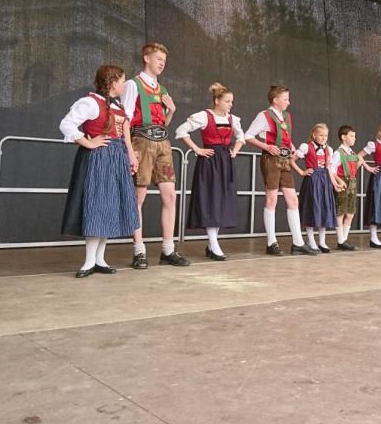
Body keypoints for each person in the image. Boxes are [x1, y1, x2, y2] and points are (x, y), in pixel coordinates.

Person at [60, 65, 140, 278]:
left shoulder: (118, 105)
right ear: (113, 83)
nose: (125, 85)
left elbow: (124, 134)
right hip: (99, 159)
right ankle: (89, 261)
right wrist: (88, 142)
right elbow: (67, 124)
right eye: (122, 81)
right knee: (97, 207)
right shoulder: (91, 103)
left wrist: (130, 155)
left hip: (117, 158)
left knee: (110, 207)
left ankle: (99, 259)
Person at [122, 41, 189, 268]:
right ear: (146, 58)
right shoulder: (133, 85)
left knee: (170, 196)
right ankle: (139, 251)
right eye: (159, 59)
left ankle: (168, 250)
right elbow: (125, 120)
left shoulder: (163, 90)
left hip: (163, 143)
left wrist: (172, 111)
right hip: (141, 141)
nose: (162, 64)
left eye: (164, 61)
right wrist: (129, 151)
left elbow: (163, 125)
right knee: (138, 197)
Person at [175, 82, 245, 261]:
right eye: (227, 101)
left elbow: (241, 137)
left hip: (225, 161)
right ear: (217, 101)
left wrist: (235, 151)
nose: (230, 104)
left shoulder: (233, 119)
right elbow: (181, 131)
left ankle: (211, 244)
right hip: (209, 161)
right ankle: (214, 245)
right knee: (211, 200)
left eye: (232, 101)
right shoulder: (204, 116)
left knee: (221, 201)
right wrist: (197, 149)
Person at [244, 85, 316, 256]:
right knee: (272, 200)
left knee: (293, 200)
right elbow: (248, 136)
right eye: (285, 99)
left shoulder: (286, 116)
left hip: (285, 161)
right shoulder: (264, 115)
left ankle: (298, 242)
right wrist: (267, 147)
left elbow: (286, 137)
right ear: (275, 100)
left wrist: (291, 146)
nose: (288, 102)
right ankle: (271, 242)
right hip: (270, 160)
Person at [294, 124, 347, 254]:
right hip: (312, 181)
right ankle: (311, 241)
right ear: (314, 135)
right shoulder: (306, 147)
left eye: (326, 136)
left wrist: (335, 184)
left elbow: (329, 169)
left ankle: (322, 242)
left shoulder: (329, 149)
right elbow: (291, 160)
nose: (324, 138)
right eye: (321, 135)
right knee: (312, 209)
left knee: (324, 210)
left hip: (325, 181)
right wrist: (302, 172)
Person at [333, 125, 363, 251]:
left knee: (350, 213)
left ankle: (344, 240)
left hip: (352, 183)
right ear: (343, 137)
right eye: (351, 136)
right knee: (341, 212)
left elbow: (353, 169)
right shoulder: (338, 153)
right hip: (343, 183)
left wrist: (359, 164)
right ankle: (341, 240)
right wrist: (339, 181)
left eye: (354, 136)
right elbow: (332, 171)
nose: (354, 138)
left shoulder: (352, 153)